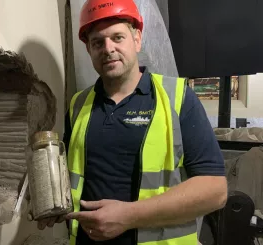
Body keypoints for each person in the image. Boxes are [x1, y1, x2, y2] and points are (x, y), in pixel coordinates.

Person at [36, 0, 228, 244]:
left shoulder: (178, 99)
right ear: (89, 50)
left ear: (137, 39)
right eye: (97, 42)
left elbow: (215, 191)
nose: (108, 49)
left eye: (117, 37)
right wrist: (50, 200)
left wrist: (128, 216)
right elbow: (70, 178)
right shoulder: (78, 104)